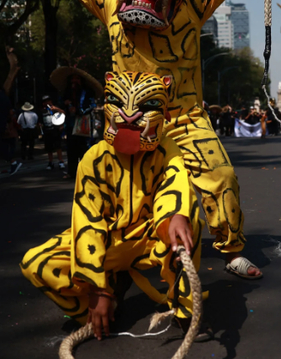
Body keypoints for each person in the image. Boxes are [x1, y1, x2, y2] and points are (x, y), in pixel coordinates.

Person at [25, 0, 269, 279]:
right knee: (120, 188)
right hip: (130, 119)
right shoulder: (110, 5)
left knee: (221, 177)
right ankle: (119, 253)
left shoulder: (193, 8)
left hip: (185, 119)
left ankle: (231, 249)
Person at [20, 71, 210, 340]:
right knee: (35, 263)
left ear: (165, 112)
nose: (130, 115)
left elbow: (175, 184)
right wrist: (96, 287)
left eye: (148, 105)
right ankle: (102, 306)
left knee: (189, 225)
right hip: (108, 239)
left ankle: (186, 309)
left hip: (150, 237)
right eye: (118, 103)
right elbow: (88, 220)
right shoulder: (93, 158)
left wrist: (177, 215)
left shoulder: (167, 150)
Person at [50, 67, 103, 180]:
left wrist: (79, 111)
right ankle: (72, 172)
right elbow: (61, 104)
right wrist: (66, 104)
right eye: (73, 79)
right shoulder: (66, 92)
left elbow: (91, 105)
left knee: (84, 148)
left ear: (81, 80)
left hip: (84, 123)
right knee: (71, 149)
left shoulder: (88, 92)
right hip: (70, 123)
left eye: (77, 78)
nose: (75, 81)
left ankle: (86, 171)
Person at [40, 95, 66, 171]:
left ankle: (61, 161)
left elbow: (64, 113)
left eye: (48, 101)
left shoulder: (55, 108)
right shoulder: (42, 111)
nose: (47, 102)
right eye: (45, 101)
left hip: (55, 130)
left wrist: (56, 109)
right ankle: (50, 162)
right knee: (49, 148)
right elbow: (40, 121)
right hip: (47, 131)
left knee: (58, 146)